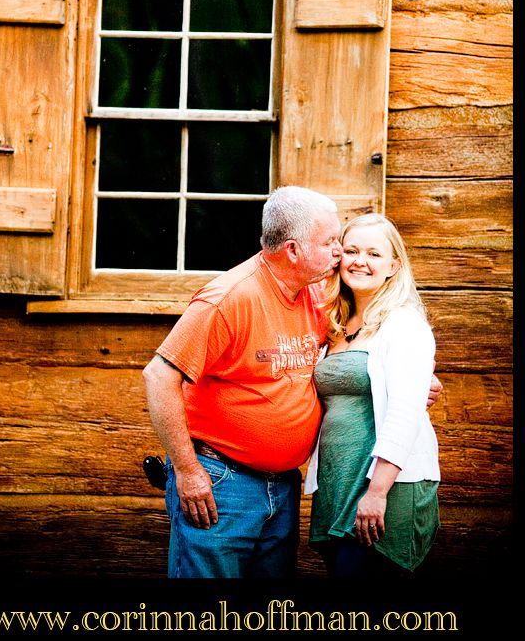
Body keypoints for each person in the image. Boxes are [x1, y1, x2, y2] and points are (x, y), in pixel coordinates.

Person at [142, 186, 442, 579]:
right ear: (293, 250)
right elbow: (158, 375)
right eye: (332, 242)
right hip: (222, 483)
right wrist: (187, 470)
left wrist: (414, 378)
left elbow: (358, 357)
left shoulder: (315, 295)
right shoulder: (229, 298)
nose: (341, 253)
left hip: (282, 487)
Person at [305, 212, 440, 579]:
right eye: (351, 250)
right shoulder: (333, 324)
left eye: (374, 254)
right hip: (338, 483)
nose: (360, 261)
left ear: (394, 265)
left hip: (386, 487)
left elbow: (402, 414)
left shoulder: (403, 323)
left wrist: (378, 492)